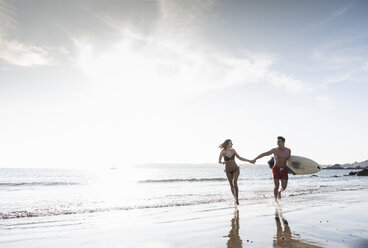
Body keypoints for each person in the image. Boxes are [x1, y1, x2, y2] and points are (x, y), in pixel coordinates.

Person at [251, 136, 291, 202]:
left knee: (284, 187)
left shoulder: (288, 150)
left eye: (279, 142)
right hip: (276, 169)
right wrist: (255, 159)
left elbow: (290, 161)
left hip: (284, 169)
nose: (278, 143)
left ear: (283, 142)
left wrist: (295, 170)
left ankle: (279, 192)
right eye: (277, 142)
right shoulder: (274, 150)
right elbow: (264, 154)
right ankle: (275, 200)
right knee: (276, 185)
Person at [218, 139, 252, 205]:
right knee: (231, 185)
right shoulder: (223, 151)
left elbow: (240, 158)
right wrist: (222, 162)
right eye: (231, 143)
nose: (232, 144)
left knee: (235, 182)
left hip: (235, 169)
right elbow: (219, 161)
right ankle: (235, 199)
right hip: (228, 171)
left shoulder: (233, 150)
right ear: (227, 144)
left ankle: (237, 200)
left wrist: (249, 160)